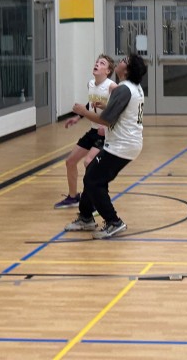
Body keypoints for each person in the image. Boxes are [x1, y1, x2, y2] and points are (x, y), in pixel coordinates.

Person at [64, 54, 146, 239]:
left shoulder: (123, 89)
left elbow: (106, 121)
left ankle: (113, 221)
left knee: (94, 180)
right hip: (125, 143)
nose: (120, 61)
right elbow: (119, 112)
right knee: (92, 175)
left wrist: (83, 112)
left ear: (127, 70)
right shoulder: (134, 88)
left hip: (122, 145)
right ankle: (86, 217)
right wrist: (106, 106)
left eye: (124, 61)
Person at [54, 54, 117, 208]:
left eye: (102, 63)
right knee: (70, 162)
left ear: (108, 71)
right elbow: (90, 104)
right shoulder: (90, 84)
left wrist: (107, 126)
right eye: (97, 62)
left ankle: (95, 201)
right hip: (93, 131)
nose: (97, 64)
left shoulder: (112, 87)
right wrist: (78, 117)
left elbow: (119, 109)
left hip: (106, 134)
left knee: (89, 162)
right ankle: (73, 197)